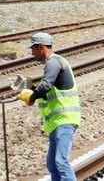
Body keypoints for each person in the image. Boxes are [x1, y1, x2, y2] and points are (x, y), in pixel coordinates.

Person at [19, 32, 80, 181]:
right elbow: (48, 92)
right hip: (56, 122)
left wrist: (31, 96)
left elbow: (46, 86)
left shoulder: (53, 62)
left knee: (61, 162)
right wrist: (30, 90)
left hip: (65, 120)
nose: (32, 53)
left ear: (40, 47)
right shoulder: (52, 64)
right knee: (52, 164)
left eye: (32, 49)